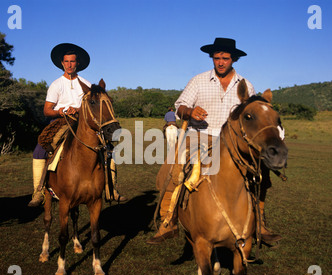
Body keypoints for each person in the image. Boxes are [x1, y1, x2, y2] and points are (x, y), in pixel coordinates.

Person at [147, 38, 281, 245]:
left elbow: (253, 114)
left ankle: (259, 221)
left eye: (225, 58)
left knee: (261, 169)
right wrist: (190, 111)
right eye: (216, 58)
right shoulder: (198, 80)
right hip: (200, 135)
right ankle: (168, 220)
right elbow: (180, 105)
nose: (220, 62)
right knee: (174, 167)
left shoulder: (246, 85)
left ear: (233, 59)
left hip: (234, 140)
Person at [28, 43, 125, 207]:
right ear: (62, 63)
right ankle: (38, 192)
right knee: (39, 149)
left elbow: (92, 106)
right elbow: (47, 110)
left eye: (72, 61)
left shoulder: (86, 84)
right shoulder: (56, 85)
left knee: (108, 149)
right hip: (61, 121)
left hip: (83, 122)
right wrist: (62, 111)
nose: (69, 64)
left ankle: (111, 189)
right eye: (66, 61)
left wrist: (78, 109)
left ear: (77, 63)